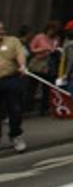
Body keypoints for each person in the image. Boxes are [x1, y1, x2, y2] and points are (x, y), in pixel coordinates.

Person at [0, 21, 28, 154]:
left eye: (2, 29)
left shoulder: (13, 41)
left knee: (15, 109)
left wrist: (22, 65)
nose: (1, 32)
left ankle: (16, 135)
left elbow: (20, 54)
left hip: (11, 79)